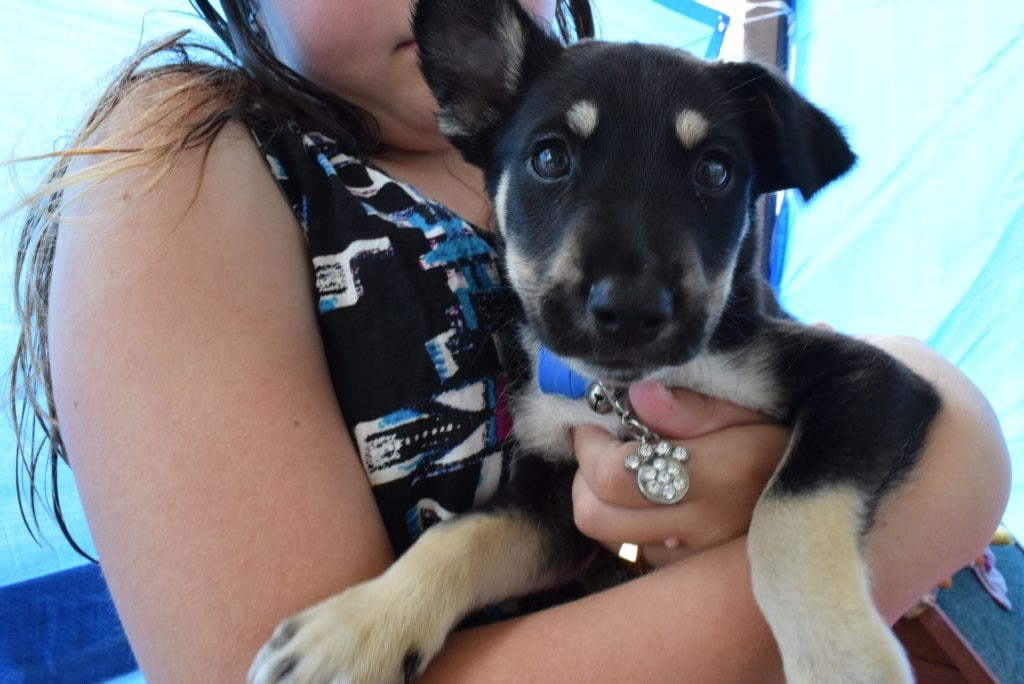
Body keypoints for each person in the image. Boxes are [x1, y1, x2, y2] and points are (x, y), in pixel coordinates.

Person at [9, 0, 1010, 681]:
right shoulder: (186, 170)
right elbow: (551, 517)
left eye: (706, 179)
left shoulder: (624, 97)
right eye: (551, 159)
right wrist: (906, 522)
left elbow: (873, 392)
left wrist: (952, 424)